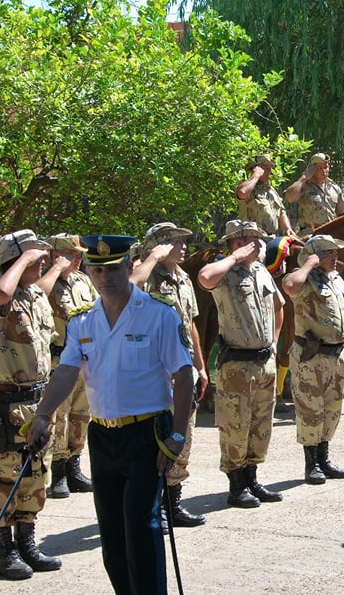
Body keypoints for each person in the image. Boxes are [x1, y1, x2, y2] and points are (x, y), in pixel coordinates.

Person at [26, 234, 194, 595]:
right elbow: (67, 372)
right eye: (97, 269)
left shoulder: (159, 313)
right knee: (112, 533)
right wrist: (42, 416)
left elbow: (184, 375)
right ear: (87, 271)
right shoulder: (81, 322)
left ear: (130, 266)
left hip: (146, 433)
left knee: (141, 524)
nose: (106, 277)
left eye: (113, 268)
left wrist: (177, 435)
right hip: (102, 436)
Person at [0, 230, 59, 580]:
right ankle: (4, 551)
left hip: (38, 402)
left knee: (35, 476)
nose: (41, 257)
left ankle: (27, 543)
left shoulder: (36, 295)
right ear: (16, 257)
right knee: (3, 480)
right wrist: (25, 256)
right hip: (8, 405)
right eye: (33, 253)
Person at [198, 220, 285, 508]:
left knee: (261, 425)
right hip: (236, 363)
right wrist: (234, 258)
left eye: (258, 239)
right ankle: (236, 486)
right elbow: (205, 278)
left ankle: (252, 478)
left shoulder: (260, 271)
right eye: (248, 239)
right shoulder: (225, 271)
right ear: (234, 242)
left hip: (263, 362)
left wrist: (273, 342)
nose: (257, 243)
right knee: (235, 425)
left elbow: (278, 306)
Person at [131, 222, 208, 527]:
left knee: (182, 435)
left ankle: (172, 502)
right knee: (155, 438)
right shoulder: (146, 276)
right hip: (156, 370)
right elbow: (130, 289)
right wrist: (151, 258)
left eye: (182, 241)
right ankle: (152, 506)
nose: (183, 246)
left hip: (183, 368)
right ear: (159, 246)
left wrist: (200, 366)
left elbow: (191, 326)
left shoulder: (183, 278)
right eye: (175, 241)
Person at [281, 235, 344, 485]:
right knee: (310, 410)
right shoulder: (305, 280)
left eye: (336, 252)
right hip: (311, 356)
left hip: (335, 355)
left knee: (332, 410)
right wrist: (309, 264)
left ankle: (324, 459)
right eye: (329, 252)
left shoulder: (337, 280)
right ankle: (311, 465)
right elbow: (289, 286)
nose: (335, 256)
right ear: (316, 255)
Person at [37, 233, 98, 499]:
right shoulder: (48, 282)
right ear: (56, 255)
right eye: (72, 254)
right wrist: (57, 268)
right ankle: (59, 472)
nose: (78, 258)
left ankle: (74, 465)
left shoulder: (83, 281)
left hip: (86, 358)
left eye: (80, 254)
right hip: (60, 357)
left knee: (81, 414)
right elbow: (37, 294)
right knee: (58, 417)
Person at [283, 152, 344, 235]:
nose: (324, 170)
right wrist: (304, 178)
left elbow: (342, 214)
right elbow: (290, 198)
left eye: (325, 167)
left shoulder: (334, 188)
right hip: (311, 233)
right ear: (312, 169)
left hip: (331, 233)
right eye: (319, 168)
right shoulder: (304, 186)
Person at [235, 153, 297, 238]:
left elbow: (281, 212)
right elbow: (242, 192)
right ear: (255, 169)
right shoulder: (248, 188)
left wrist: (288, 229)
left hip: (271, 237)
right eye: (264, 167)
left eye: (269, 167)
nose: (268, 170)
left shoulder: (271, 191)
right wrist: (256, 175)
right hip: (252, 238)